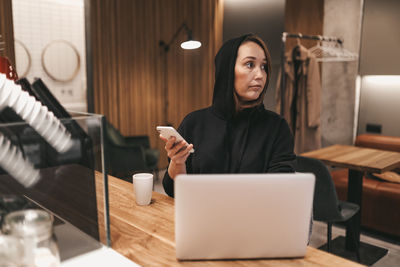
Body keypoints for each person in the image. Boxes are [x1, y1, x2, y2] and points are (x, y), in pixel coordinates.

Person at [160, 33, 296, 198]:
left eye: (263, 67)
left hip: (254, 220)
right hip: (201, 219)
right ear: (227, 70)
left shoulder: (277, 127)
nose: (260, 75)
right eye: (250, 64)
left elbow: (281, 191)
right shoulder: (194, 123)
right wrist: (177, 163)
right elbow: (173, 191)